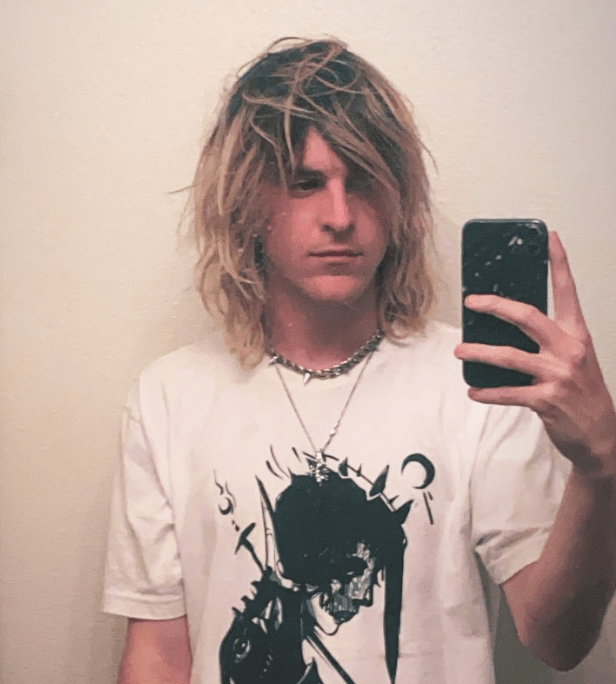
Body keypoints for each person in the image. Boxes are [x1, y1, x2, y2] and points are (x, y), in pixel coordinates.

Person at [102, 38, 616, 684]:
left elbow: (558, 640)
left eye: (364, 182)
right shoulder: (169, 397)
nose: (340, 217)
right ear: (248, 202)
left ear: (399, 201)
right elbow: (157, 657)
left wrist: (600, 468)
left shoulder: (476, 384)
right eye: (306, 184)